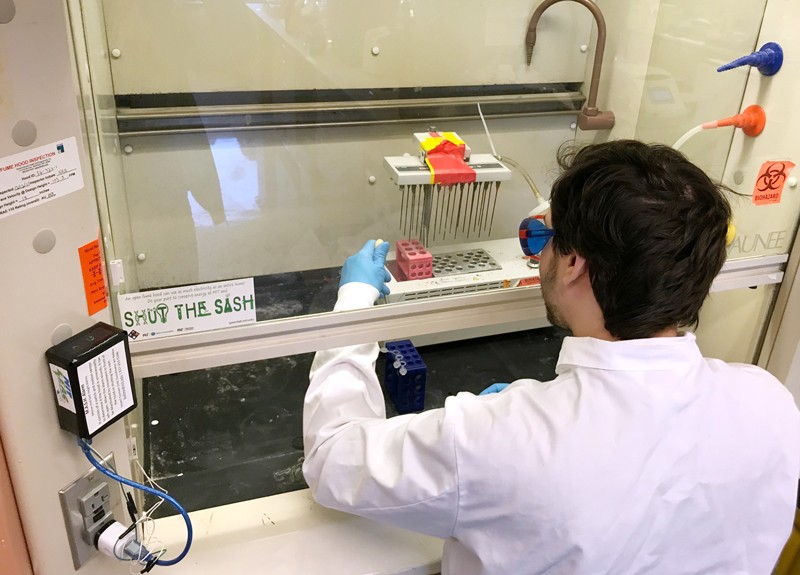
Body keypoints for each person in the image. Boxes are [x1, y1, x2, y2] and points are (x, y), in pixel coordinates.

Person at [302, 140, 800, 574]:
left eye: (546, 237)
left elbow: (331, 457)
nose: (540, 254)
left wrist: (353, 305)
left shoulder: (495, 439)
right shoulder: (769, 404)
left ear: (573, 262)